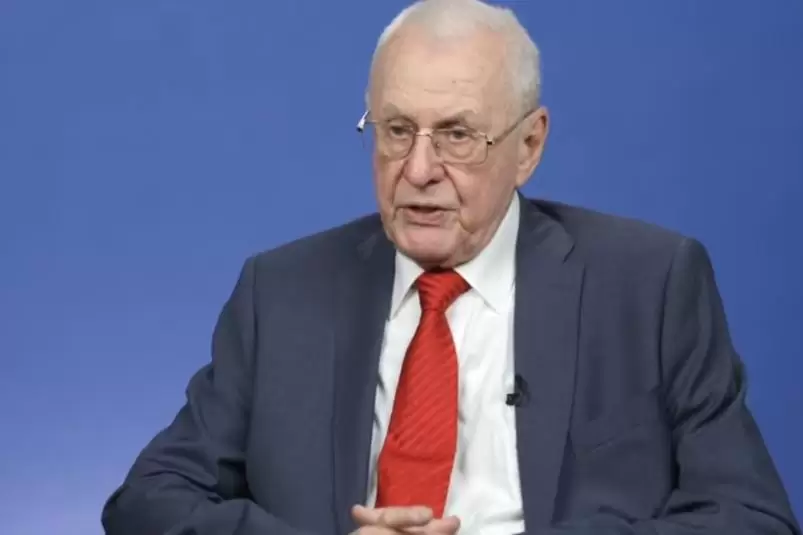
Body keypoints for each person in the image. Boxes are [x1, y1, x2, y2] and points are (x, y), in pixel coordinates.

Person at [101, 0, 800, 534]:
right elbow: (146, 501)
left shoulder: (649, 285)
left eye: (457, 135)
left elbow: (751, 517)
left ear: (528, 146)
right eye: (396, 130)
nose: (418, 170)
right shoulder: (281, 292)